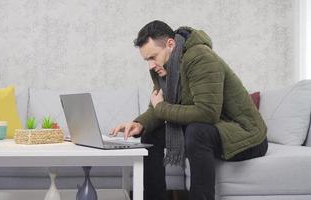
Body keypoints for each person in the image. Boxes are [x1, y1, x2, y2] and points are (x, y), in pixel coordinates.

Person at [110, 20, 268, 200]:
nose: (150, 65)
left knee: (197, 131)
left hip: (246, 135)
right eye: (147, 60)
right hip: (216, 129)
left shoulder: (200, 57)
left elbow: (207, 113)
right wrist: (139, 123)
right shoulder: (162, 68)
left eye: (153, 57)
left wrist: (161, 108)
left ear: (170, 44)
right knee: (150, 134)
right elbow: (158, 106)